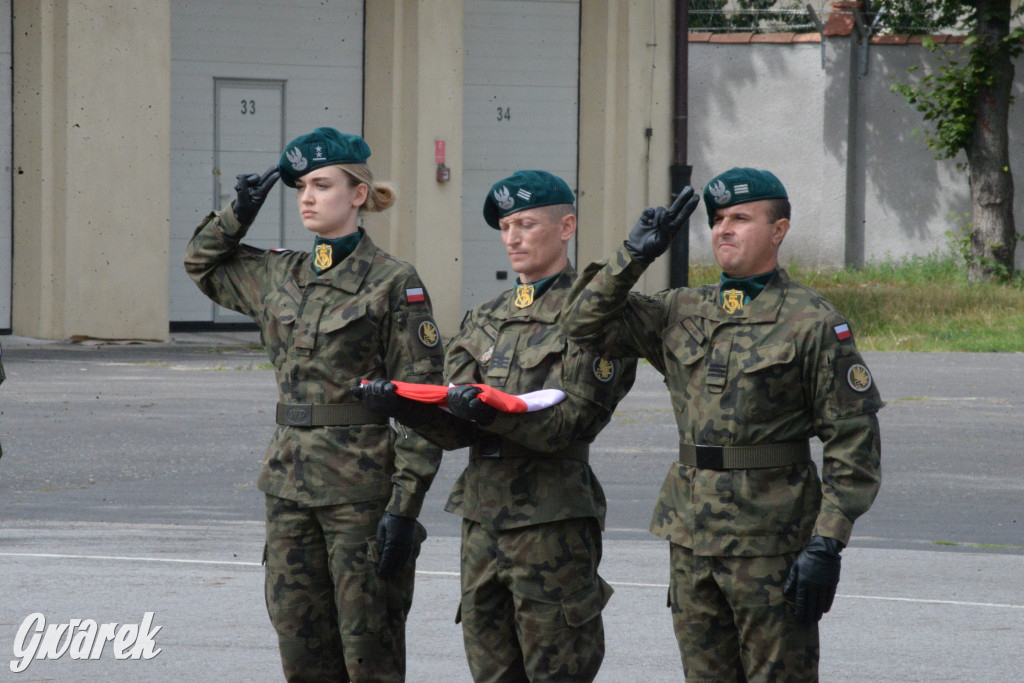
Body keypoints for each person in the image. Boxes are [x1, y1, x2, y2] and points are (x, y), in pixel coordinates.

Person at [560, 168, 883, 681]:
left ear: (778, 230)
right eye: (717, 219)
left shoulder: (813, 322)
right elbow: (580, 324)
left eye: (741, 218)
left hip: (772, 542)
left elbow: (854, 444)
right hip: (691, 537)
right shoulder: (680, 308)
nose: (723, 229)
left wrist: (827, 543)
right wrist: (635, 254)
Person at [184, 127, 444, 682]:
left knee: (368, 652)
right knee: (300, 649)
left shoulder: (394, 281)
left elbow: (425, 402)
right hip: (287, 485)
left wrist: (404, 507)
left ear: (358, 195)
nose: (306, 196)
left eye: (322, 185)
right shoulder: (279, 273)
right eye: (301, 185)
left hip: (361, 490)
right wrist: (239, 212)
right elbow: (202, 264)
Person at [356, 170, 638, 682]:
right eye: (506, 226)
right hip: (482, 521)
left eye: (527, 224)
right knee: (490, 672)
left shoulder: (594, 317)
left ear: (566, 226)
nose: (512, 238)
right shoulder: (484, 317)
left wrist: (488, 413)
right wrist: (404, 407)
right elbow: (455, 426)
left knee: (557, 670)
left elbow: (567, 425)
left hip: (550, 522)